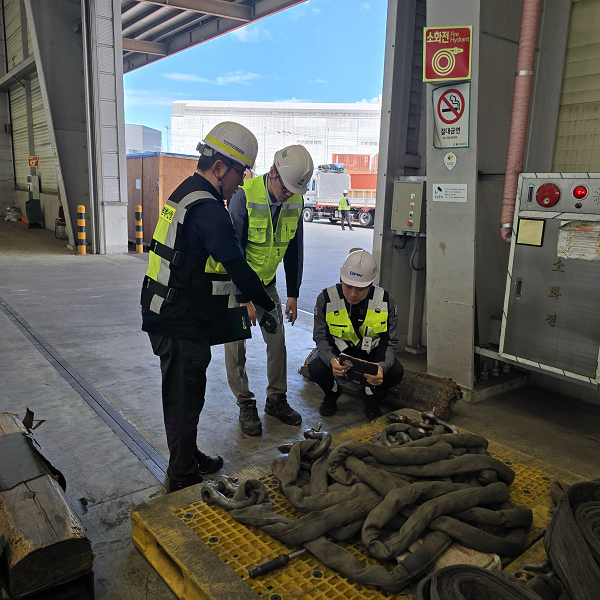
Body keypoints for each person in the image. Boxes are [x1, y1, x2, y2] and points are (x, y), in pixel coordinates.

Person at [141, 122, 280, 493]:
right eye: (241, 171)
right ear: (219, 167)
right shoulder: (208, 209)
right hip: (177, 319)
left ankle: (186, 456)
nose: (242, 180)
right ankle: (182, 476)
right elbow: (239, 268)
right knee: (185, 395)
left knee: (186, 391)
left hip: (169, 309)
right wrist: (267, 306)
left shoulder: (188, 192)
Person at [225, 145, 314, 435]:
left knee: (277, 342)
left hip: (268, 287)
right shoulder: (244, 197)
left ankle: (276, 399)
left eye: (294, 191)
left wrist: (293, 293)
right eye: (286, 188)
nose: (289, 194)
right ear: (273, 171)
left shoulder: (294, 202)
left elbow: (294, 250)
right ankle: (245, 404)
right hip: (236, 287)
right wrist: (243, 298)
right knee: (236, 348)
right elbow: (233, 252)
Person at [308, 250, 404, 420]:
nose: (353, 294)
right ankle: (332, 393)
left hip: (371, 354)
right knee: (315, 366)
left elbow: (390, 341)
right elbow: (321, 337)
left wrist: (381, 367)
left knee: (396, 372)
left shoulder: (386, 301)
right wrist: (331, 360)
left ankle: (370, 395)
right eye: (348, 286)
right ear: (341, 279)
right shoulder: (326, 299)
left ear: (371, 283)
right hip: (338, 351)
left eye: (360, 288)